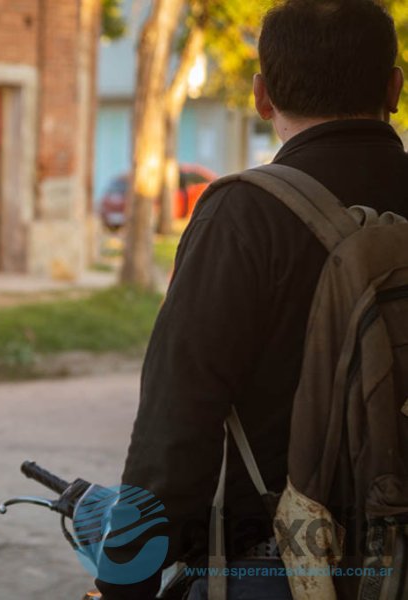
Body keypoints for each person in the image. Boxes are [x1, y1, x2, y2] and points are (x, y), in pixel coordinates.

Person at [95, 1, 408, 598]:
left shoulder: (243, 214)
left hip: (283, 566)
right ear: (394, 88)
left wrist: (124, 581)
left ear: (262, 97)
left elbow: (177, 425)